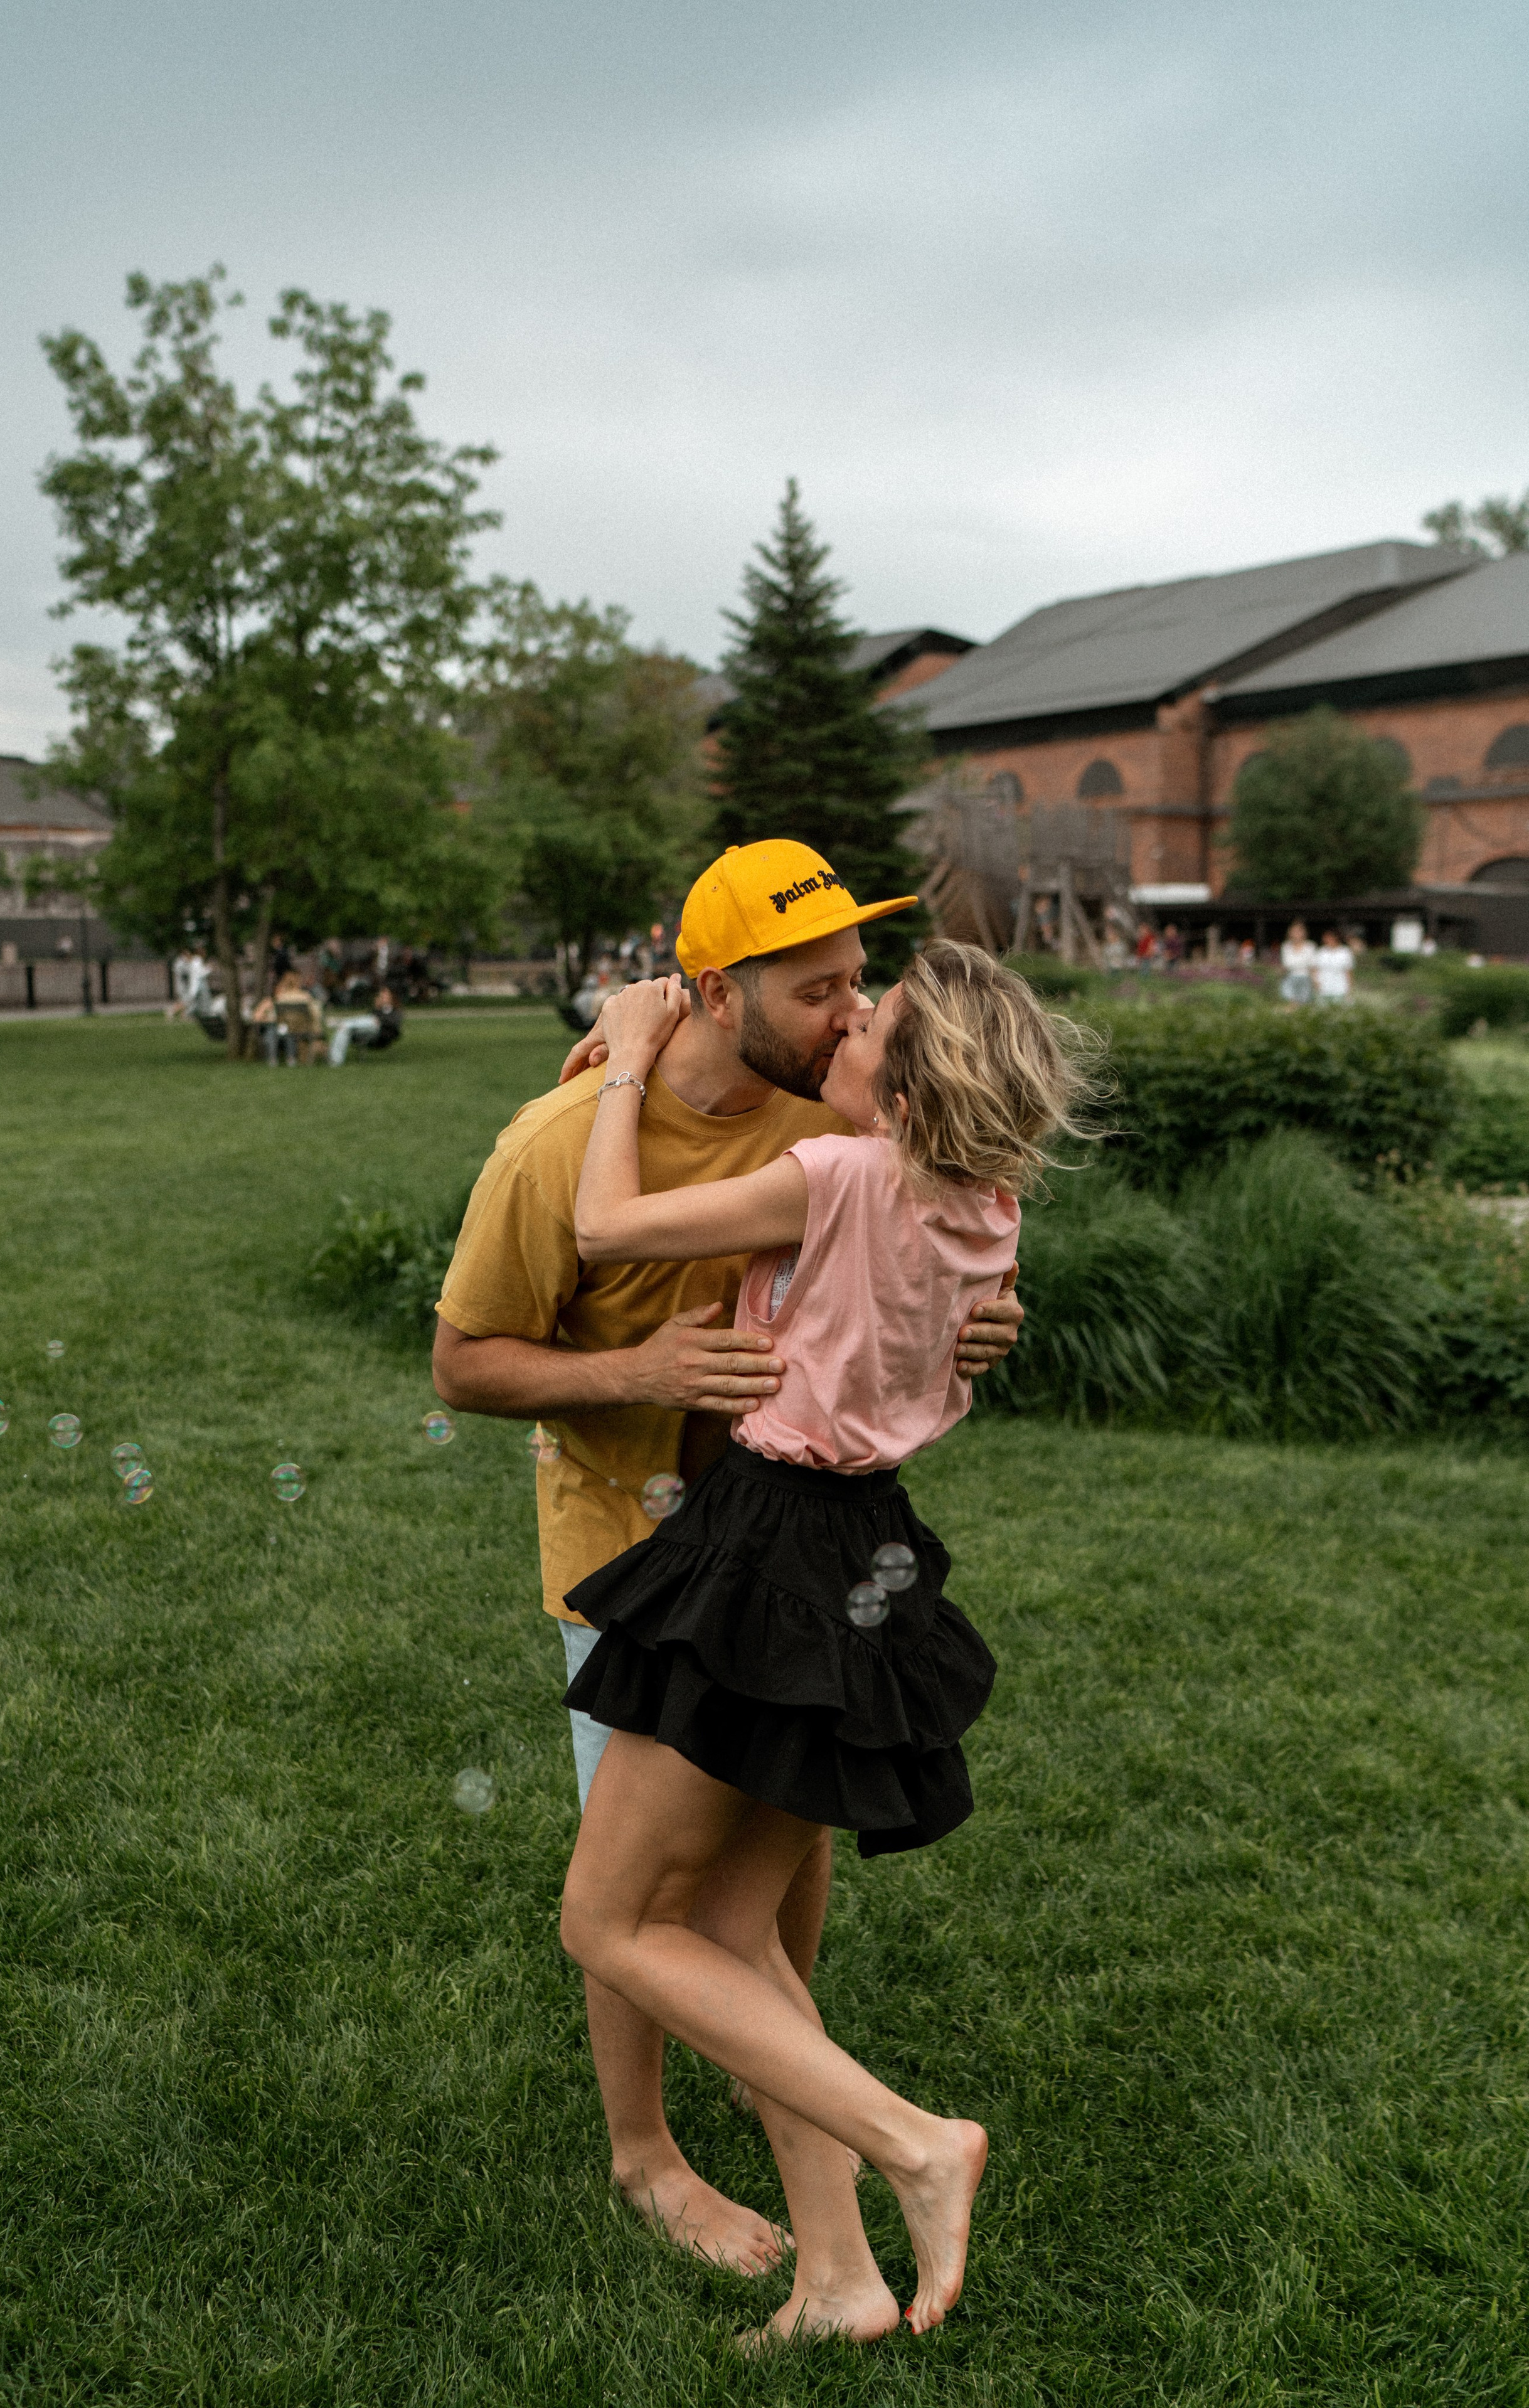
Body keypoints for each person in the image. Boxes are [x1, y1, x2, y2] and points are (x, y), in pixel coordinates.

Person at [429, 840, 1023, 2281]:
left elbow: (924, 1239)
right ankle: (645, 2153)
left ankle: (812, 2170)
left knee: (750, 1898)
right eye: (818, 989)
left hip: (779, 1563)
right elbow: (461, 1366)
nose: (847, 1012)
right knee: (636, 1898)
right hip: (636, 1560)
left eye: (858, 985)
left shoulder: (836, 1123)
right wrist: (634, 1366)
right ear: (712, 989)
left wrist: (984, 1320)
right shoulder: (558, 1144)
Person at [556, 941, 1086, 2345]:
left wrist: (625, 1056)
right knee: (734, 1927)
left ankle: (917, 2141)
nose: (843, 1022)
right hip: (866, 1554)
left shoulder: (840, 1174)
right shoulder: (989, 1206)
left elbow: (603, 1227)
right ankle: (841, 2278)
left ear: (901, 1096)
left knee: (606, 1919)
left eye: (871, 1022)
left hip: (767, 1549)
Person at [328, 983, 402, 1067]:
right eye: (381, 996)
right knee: (344, 1029)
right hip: (366, 1031)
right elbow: (366, 1019)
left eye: (385, 996)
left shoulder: (395, 1011)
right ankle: (335, 1061)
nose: (382, 998)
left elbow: (393, 1025)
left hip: (381, 1034)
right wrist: (377, 1009)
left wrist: (380, 1021)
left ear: (391, 997)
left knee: (372, 1021)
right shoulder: (377, 1010)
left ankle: (342, 1022)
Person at [1279, 920, 1316, 1005]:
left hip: (1305, 977)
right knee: (1289, 1001)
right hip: (1290, 977)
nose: (1296, 934)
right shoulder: (1286, 946)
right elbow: (1285, 964)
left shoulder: (1310, 946)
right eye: (1294, 932)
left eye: (1299, 932)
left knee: (1303, 1002)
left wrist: (1315, 981)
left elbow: (1313, 966)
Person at [1313, 929, 1355, 1003]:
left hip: (1340, 988)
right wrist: (1316, 983)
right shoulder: (1321, 952)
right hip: (1323, 987)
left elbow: (1348, 971)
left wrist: (1349, 988)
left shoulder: (1345, 952)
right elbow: (1315, 969)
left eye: (1330, 937)